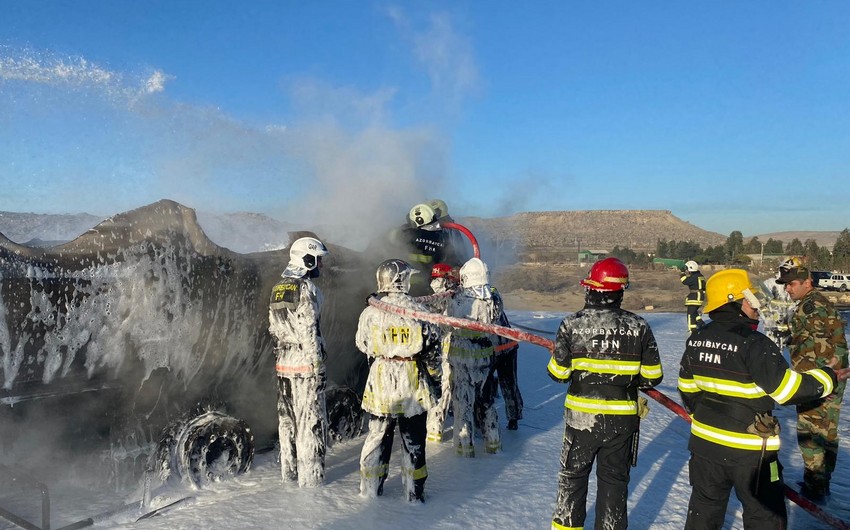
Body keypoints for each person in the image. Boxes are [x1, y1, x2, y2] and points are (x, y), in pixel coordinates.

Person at [678, 268, 841, 528]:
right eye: (752, 298)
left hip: (704, 446)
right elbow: (788, 391)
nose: (756, 305)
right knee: (765, 516)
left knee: (704, 512)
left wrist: (712, 418)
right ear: (738, 300)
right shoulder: (756, 344)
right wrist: (828, 377)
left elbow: (687, 389)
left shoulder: (697, 338)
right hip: (751, 454)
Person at [547, 257, 663, 530]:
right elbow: (652, 376)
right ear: (620, 292)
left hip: (580, 419)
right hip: (621, 420)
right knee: (614, 482)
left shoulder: (571, 325)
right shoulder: (639, 326)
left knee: (573, 478)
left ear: (591, 289)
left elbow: (558, 374)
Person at [355, 259, 442, 502]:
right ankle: (413, 494)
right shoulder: (420, 313)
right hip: (411, 379)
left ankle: (370, 490)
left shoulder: (370, 312)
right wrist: (435, 380)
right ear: (402, 281)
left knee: (376, 436)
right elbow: (433, 351)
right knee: (413, 440)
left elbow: (362, 344)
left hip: (380, 380)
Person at [775, 256, 849, 501]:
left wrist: (818, 381)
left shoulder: (811, 305)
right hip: (828, 377)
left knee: (811, 431)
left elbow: (823, 346)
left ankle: (815, 487)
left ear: (807, 281)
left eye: (791, 284)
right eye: (785, 284)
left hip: (818, 380)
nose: (787, 288)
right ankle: (820, 483)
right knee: (826, 430)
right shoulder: (815, 302)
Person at [268, 236, 330, 487]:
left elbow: (273, 328)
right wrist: (317, 365)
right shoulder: (306, 289)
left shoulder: (278, 288)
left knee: (287, 420)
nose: (320, 266)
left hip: (284, 363)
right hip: (306, 365)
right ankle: (311, 479)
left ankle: (289, 474)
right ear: (307, 260)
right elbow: (308, 329)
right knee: (310, 421)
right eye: (317, 261)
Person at [445, 257, 501, 457]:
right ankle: (493, 443)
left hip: (461, 362)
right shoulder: (493, 300)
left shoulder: (457, 299)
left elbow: (446, 322)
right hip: (485, 360)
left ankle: (464, 447)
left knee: (463, 404)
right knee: (487, 402)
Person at [426, 263, 460, 443]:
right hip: (448, 346)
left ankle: (434, 429)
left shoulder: (429, 294)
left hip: (435, 348)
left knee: (438, 385)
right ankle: (436, 428)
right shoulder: (448, 296)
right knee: (446, 386)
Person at [488, 286, 524, 430]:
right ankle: (513, 418)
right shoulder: (492, 292)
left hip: (498, 349)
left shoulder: (481, 298)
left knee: (505, 384)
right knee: (508, 383)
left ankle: (512, 417)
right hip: (505, 347)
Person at [680, 260, 706, 333]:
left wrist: (682, 273)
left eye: (687, 268)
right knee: (694, 311)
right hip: (699, 296)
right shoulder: (700, 276)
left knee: (690, 313)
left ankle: (692, 329)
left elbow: (684, 281)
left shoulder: (694, 277)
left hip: (695, 297)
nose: (687, 270)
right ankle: (700, 322)